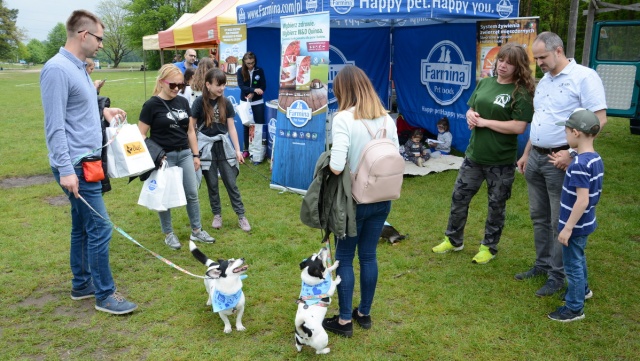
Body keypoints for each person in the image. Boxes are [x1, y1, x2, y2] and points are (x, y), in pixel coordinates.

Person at [41, 9, 137, 315]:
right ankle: (105, 295)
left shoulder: (79, 68)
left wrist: (103, 111)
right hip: (77, 166)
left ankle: (82, 284)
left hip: (87, 162)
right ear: (83, 35)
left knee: (82, 227)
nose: (101, 45)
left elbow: (77, 107)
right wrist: (67, 170)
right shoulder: (57, 69)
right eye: (99, 39)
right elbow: (55, 125)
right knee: (101, 227)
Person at [515, 32, 607, 297]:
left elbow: (598, 120)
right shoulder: (544, 81)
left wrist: (571, 153)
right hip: (535, 157)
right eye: (537, 58)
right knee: (538, 217)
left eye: (542, 57)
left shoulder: (584, 77)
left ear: (559, 51)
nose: (539, 63)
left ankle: (558, 274)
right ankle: (542, 265)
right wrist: (526, 152)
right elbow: (541, 119)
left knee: (559, 220)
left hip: (561, 161)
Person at [431, 42, 535, 264]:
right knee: (459, 198)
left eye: (510, 63)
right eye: (501, 60)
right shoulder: (485, 83)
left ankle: (488, 247)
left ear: (519, 67)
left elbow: (518, 127)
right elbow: (472, 107)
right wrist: (470, 115)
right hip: (474, 156)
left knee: (496, 204)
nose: (503, 65)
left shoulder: (521, 92)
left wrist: (485, 122)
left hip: (500, 160)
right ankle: (453, 240)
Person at [321, 65, 399, 337]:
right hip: (382, 196)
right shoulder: (387, 119)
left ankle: (344, 321)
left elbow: (337, 166)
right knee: (368, 256)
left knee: (344, 257)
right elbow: (396, 155)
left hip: (353, 201)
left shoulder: (343, 118)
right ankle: (363, 313)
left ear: (343, 90)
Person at [138, 64, 215, 250]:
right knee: (164, 197)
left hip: (185, 153)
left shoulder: (182, 102)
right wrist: (156, 156)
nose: (176, 89)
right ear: (162, 82)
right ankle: (168, 234)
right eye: (172, 85)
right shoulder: (151, 105)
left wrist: (196, 155)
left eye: (180, 85)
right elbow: (140, 135)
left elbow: (190, 131)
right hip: (165, 158)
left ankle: (197, 231)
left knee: (192, 193)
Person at [547, 108, 603, 322]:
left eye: (567, 132)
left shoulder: (579, 165)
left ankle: (574, 308)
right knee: (579, 258)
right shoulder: (594, 159)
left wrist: (567, 227)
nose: (566, 136)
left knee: (572, 264)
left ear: (576, 133)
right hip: (587, 222)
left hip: (575, 225)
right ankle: (584, 290)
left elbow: (582, 200)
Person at [191, 68, 251, 232]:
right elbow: (191, 128)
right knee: (212, 184)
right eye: (218, 85)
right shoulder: (198, 103)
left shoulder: (226, 103)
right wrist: (195, 153)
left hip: (224, 146)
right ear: (208, 84)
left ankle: (241, 216)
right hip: (205, 147)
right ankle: (217, 214)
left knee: (231, 183)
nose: (221, 88)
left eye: (223, 84)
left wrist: (238, 150)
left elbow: (231, 128)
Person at [237, 51, 266, 158]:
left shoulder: (259, 70)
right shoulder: (240, 71)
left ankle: (257, 150)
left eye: (252, 63)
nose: (251, 65)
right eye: (248, 63)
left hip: (257, 102)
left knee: (258, 126)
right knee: (246, 125)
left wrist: (254, 93)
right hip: (245, 102)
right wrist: (253, 90)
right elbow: (241, 86)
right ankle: (246, 149)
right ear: (244, 62)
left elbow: (263, 86)